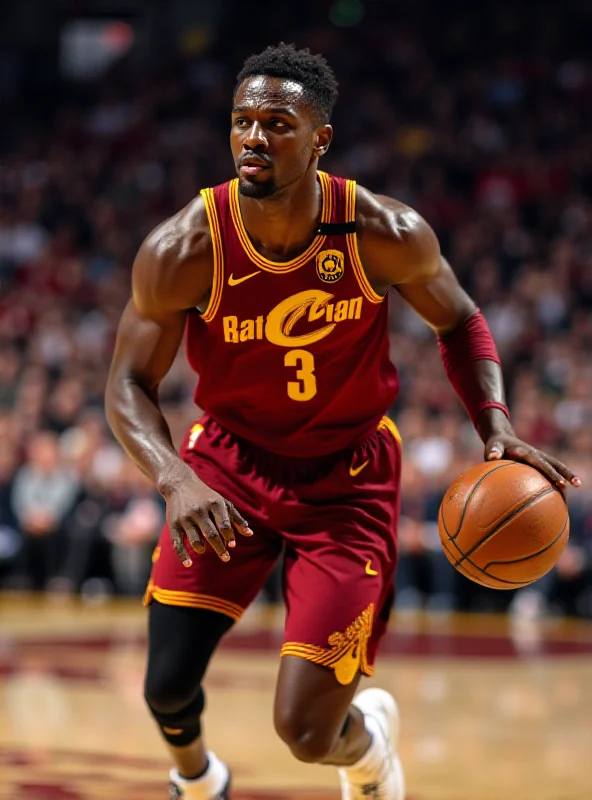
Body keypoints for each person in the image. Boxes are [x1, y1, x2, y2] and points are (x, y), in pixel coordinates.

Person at [105, 44, 580, 800]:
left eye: (277, 123)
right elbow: (128, 382)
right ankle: (197, 779)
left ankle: (371, 750)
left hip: (347, 482)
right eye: (241, 122)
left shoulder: (383, 231)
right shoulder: (184, 248)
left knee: (304, 734)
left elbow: (459, 322)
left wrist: (493, 421)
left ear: (320, 139)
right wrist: (173, 478)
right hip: (227, 466)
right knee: (165, 686)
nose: (253, 138)